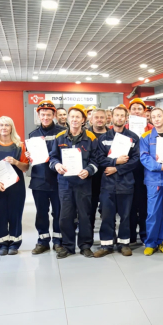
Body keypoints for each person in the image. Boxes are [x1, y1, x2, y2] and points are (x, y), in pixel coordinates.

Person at [49, 104, 100, 258]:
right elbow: (53, 157)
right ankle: (67, 246)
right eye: (72, 116)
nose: (75, 119)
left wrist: (89, 170)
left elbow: (96, 160)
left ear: (83, 120)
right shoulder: (59, 137)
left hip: (83, 183)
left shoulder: (91, 138)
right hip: (65, 183)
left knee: (85, 215)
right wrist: (57, 165)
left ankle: (85, 245)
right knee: (65, 216)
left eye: (78, 117)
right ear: (68, 119)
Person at [94, 105, 140, 257]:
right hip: (107, 184)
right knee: (107, 216)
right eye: (117, 115)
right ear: (111, 118)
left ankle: (124, 244)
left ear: (126, 118)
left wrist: (117, 169)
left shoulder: (133, 138)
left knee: (126, 216)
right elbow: (99, 159)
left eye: (122, 115)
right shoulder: (103, 138)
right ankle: (106, 245)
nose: (119, 118)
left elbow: (136, 160)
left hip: (126, 183)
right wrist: (115, 162)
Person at [0, 117, 29, 255]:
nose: (4, 128)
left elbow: (25, 167)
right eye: (1, 125)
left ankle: (14, 243)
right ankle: (2, 244)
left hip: (16, 187)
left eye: (7, 125)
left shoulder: (20, 146)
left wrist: (16, 162)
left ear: (11, 128)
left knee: (15, 214)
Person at [26, 101, 63, 254]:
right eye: (43, 115)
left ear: (54, 115)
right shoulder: (33, 135)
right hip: (39, 180)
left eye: (48, 114)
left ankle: (58, 241)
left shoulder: (62, 132)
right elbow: (31, 159)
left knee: (59, 212)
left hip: (58, 180)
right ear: (39, 115)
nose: (45, 117)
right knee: (41, 213)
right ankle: (43, 241)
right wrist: (28, 155)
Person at [140, 107, 163, 255]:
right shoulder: (146, 137)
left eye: (159, 116)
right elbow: (144, 157)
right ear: (151, 119)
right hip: (154, 180)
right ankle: (150, 242)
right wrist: (159, 167)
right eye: (153, 117)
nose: (156, 119)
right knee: (153, 213)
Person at [126, 98, 154, 245]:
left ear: (144, 112)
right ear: (129, 111)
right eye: (134, 109)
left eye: (139, 109)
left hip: (146, 172)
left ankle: (144, 234)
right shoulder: (124, 129)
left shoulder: (151, 129)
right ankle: (130, 235)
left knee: (144, 205)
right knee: (129, 205)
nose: (136, 111)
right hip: (128, 171)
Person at [87, 108, 109, 232]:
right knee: (89, 210)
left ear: (107, 119)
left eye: (102, 117)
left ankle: (108, 237)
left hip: (109, 177)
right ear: (91, 120)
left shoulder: (114, 135)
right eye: (96, 117)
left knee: (108, 211)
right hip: (90, 179)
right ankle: (88, 238)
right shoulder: (85, 135)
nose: (99, 120)